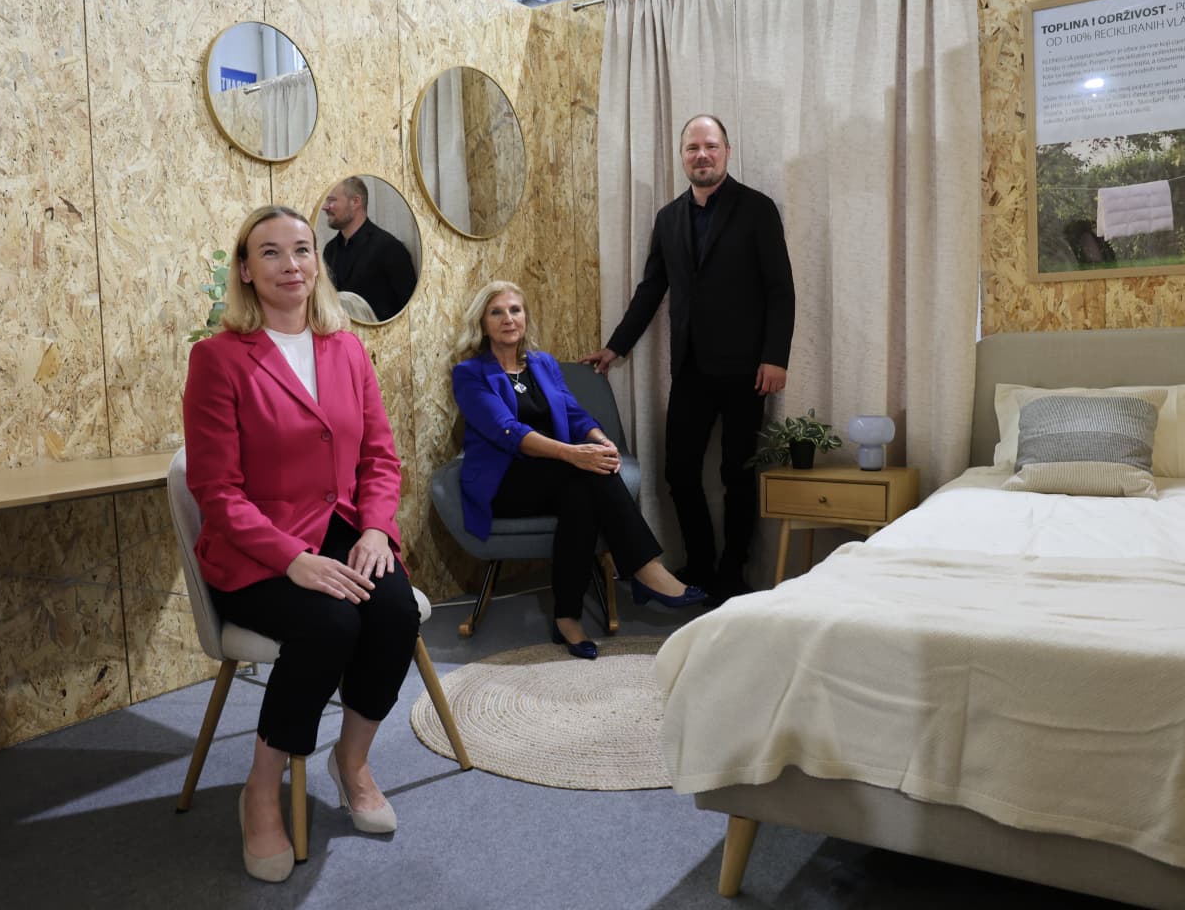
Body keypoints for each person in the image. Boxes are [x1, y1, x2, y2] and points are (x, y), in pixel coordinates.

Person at [183, 204, 419, 883]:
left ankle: (352, 762)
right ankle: (261, 790)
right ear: (245, 270)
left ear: (318, 261)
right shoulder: (217, 359)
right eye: (271, 252)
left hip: (342, 527)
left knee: (395, 612)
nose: (290, 264)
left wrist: (374, 528)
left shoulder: (346, 349)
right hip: (255, 549)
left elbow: (379, 457)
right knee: (330, 625)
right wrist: (293, 561)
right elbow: (217, 492)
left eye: (302, 250)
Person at [581, 115, 795, 603]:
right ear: (681, 156)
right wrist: (616, 346)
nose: (702, 155)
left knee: (737, 475)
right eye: (693, 148)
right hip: (691, 370)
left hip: (747, 371)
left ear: (727, 151)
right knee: (679, 472)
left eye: (711, 146)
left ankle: (732, 574)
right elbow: (652, 289)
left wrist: (775, 357)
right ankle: (699, 565)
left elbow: (780, 290)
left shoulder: (757, 209)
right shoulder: (668, 218)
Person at [452, 281, 707, 659]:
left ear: (525, 317)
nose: (508, 319)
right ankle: (645, 569)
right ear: (483, 324)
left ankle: (567, 617)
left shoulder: (542, 364)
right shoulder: (470, 373)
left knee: (581, 493)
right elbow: (508, 431)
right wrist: (574, 454)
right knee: (583, 474)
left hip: (556, 474)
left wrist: (601, 442)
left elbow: (574, 415)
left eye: (515, 310)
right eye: (497, 312)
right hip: (504, 481)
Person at [320, 176, 418, 321]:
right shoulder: (330, 250)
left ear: (355, 202)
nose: (325, 207)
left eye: (332, 200)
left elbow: (411, 311)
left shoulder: (389, 248)